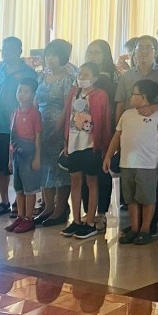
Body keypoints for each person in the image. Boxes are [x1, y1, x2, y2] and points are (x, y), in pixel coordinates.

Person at [104, 78, 158, 246]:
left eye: (134, 94)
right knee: (131, 198)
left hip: (147, 165)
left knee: (148, 198)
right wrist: (108, 156)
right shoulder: (127, 115)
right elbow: (117, 136)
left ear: (143, 97)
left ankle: (145, 229)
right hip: (126, 164)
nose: (130, 98)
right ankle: (134, 228)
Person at [0, 37, 38, 219]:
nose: (6, 53)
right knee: (2, 165)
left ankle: (19, 202)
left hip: (21, 127)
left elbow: (34, 98)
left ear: (19, 51)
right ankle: (4, 201)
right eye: (4, 49)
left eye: (10, 49)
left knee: (20, 166)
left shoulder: (29, 73)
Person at [61, 66, 113, 240]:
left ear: (95, 78)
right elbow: (68, 117)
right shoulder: (74, 92)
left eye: (86, 74)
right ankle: (76, 220)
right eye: (80, 73)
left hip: (91, 144)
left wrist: (104, 147)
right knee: (75, 181)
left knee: (92, 182)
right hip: (74, 144)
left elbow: (105, 121)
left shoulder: (100, 95)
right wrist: (66, 141)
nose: (82, 76)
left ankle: (90, 221)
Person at [34, 39, 75, 228]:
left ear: (62, 58)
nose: (50, 59)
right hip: (40, 127)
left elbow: (67, 107)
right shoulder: (42, 77)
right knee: (44, 168)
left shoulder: (68, 79)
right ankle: (48, 207)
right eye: (48, 55)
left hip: (58, 127)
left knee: (59, 170)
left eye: (54, 55)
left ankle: (60, 209)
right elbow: (36, 100)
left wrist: (57, 129)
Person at [82, 40, 118, 222]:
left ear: (105, 55)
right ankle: (88, 210)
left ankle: (101, 212)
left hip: (104, 129)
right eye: (89, 52)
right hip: (83, 130)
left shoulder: (111, 77)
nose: (92, 56)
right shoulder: (82, 75)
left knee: (102, 169)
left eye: (96, 52)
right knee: (85, 171)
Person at [7, 80, 42, 234]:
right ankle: (20, 216)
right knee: (19, 188)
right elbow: (11, 137)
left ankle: (29, 218)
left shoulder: (34, 113)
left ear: (33, 95)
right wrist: (10, 158)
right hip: (16, 154)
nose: (22, 94)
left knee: (29, 189)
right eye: (20, 90)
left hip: (29, 154)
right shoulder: (15, 112)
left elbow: (38, 136)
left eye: (26, 91)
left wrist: (37, 158)